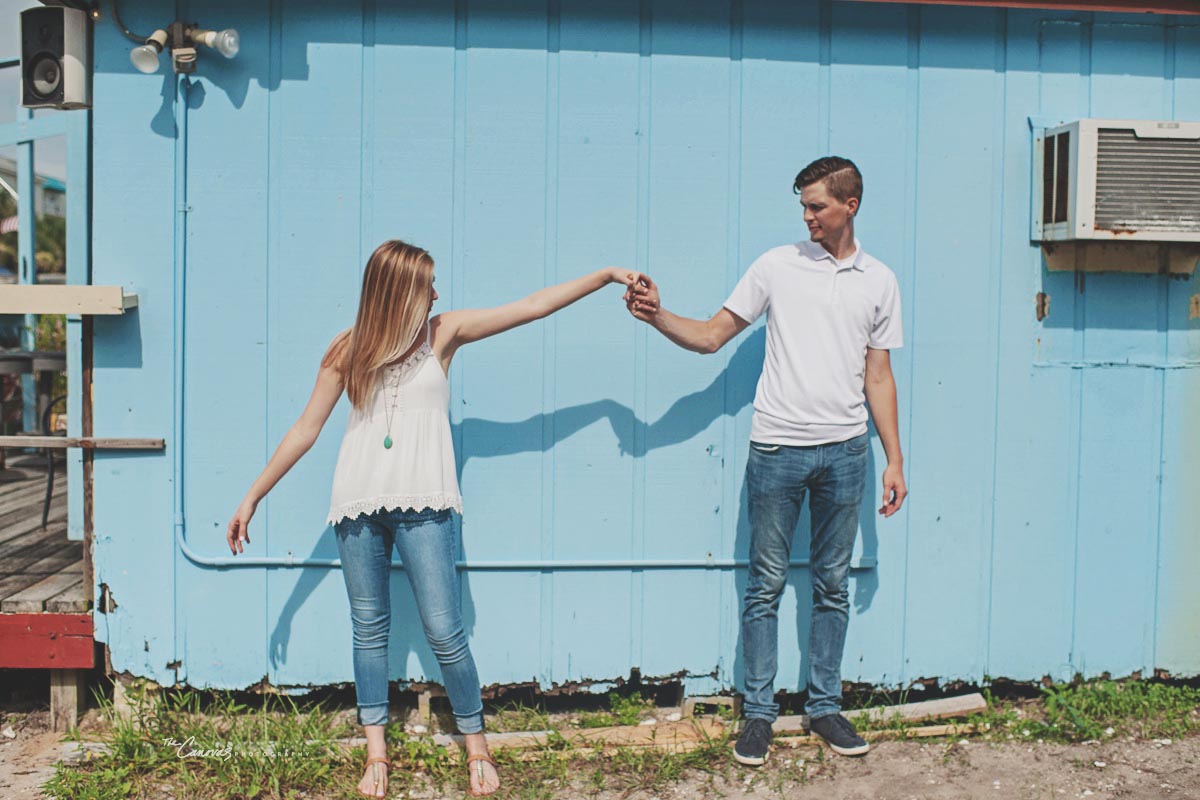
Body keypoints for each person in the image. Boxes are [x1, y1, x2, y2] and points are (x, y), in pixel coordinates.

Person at [227, 240, 641, 797]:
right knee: (368, 631)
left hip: (426, 504)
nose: (438, 293)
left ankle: (477, 746)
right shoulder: (347, 350)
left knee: (446, 632)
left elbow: (533, 306)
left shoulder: (442, 334)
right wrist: (253, 495)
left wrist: (607, 274)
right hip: (359, 505)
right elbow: (306, 429)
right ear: (399, 291)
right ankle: (376, 754)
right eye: (428, 284)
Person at [625, 156, 908, 763]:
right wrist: (656, 316)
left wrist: (895, 459)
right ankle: (758, 715)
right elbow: (708, 336)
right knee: (766, 586)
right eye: (802, 206)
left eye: (817, 206)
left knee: (832, 584)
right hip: (778, 448)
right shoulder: (777, 267)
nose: (806, 216)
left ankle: (825, 708)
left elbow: (878, 377)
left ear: (849, 205)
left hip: (846, 452)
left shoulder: (879, 280)